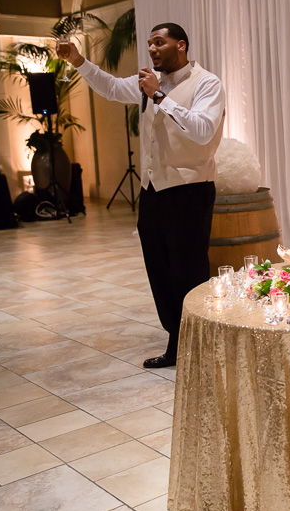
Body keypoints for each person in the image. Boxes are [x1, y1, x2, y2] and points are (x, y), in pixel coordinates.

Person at [58, 23, 225, 369]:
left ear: (181, 45)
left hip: (190, 190)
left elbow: (202, 130)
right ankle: (176, 339)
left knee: (188, 271)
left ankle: (200, 343)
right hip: (153, 192)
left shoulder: (207, 83)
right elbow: (112, 88)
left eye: (159, 42)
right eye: (149, 43)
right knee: (159, 270)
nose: (151, 48)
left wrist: (159, 98)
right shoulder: (151, 83)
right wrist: (78, 61)